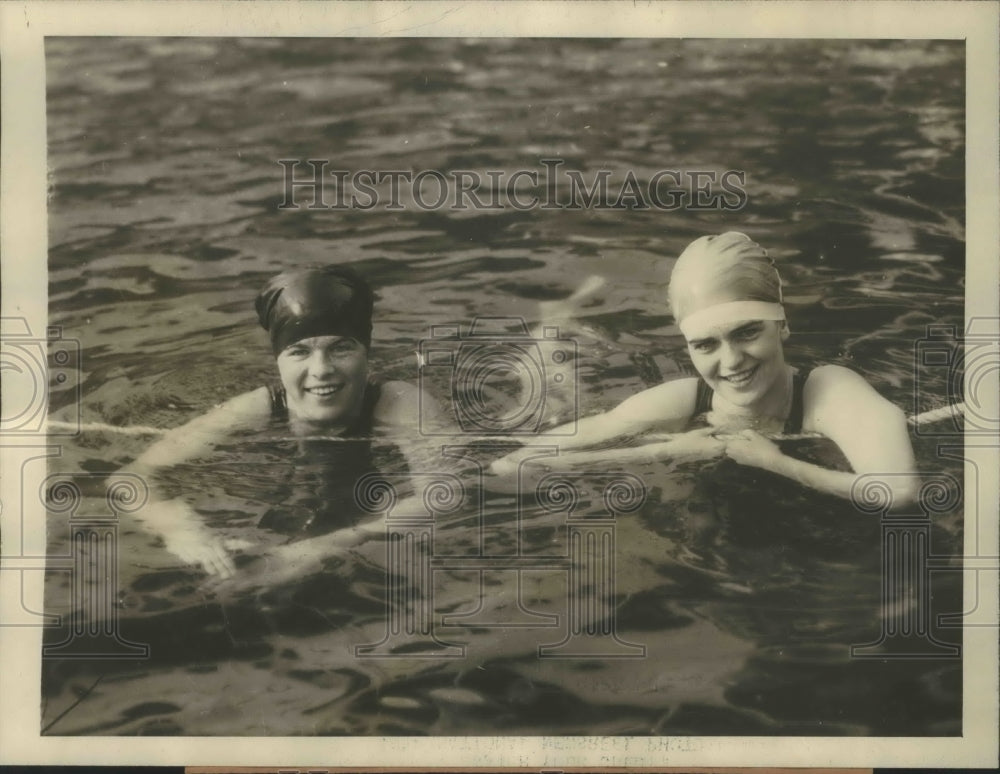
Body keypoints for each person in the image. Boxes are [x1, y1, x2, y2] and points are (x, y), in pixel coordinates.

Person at [492, 232, 919, 506]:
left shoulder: (827, 390)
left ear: (783, 324)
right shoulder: (682, 400)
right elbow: (515, 463)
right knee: (558, 398)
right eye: (706, 344)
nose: (731, 361)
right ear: (689, 347)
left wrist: (778, 463)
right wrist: (665, 452)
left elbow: (898, 490)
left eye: (747, 332)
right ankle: (555, 326)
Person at [124, 265, 440, 578]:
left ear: (366, 352)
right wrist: (181, 529)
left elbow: (446, 493)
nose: (321, 370)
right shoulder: (257, 408)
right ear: (278, 360)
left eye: (341, 348)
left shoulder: (399, 403)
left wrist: (330, 544)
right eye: (299, 352)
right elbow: (133, 476)